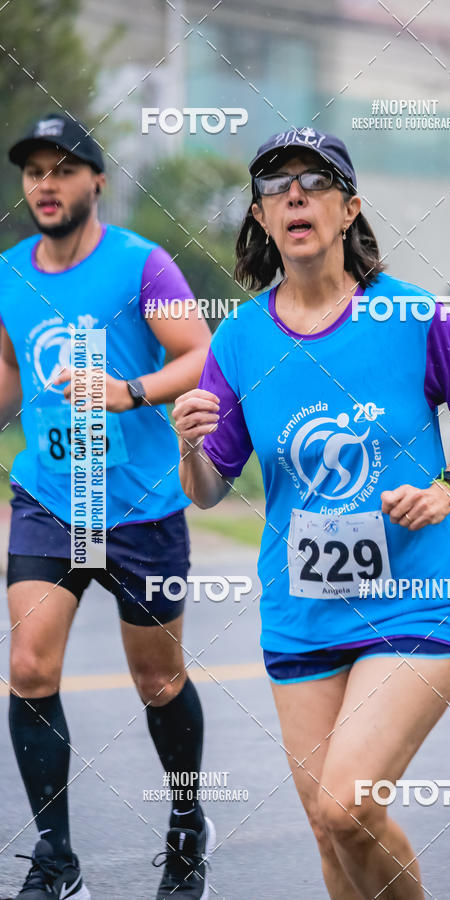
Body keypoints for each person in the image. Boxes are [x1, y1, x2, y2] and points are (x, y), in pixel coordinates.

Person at [174, 126, 450, 899]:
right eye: (275, 185)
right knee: (328, 831)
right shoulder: (241, 338)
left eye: (315, 181)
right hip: (302, 613)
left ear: (349, 209)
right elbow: (209, 488)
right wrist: (189, 446)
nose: (294, 194)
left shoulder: (413, 316)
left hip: (414, 601)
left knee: (348, 804)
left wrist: (449, 488)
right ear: (260, 218)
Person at [0, 113, 215, 899]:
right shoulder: (5, 273)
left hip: (141, 508)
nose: (45, 185)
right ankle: (56, 862)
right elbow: (11, 378)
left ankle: (189, 823)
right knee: (28, 667)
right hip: (50, 499)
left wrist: (129, 392)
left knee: (157, 681)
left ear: (96, 181)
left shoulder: (141, 266)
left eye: (62, 170)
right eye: (33, 172)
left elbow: (201, 355)